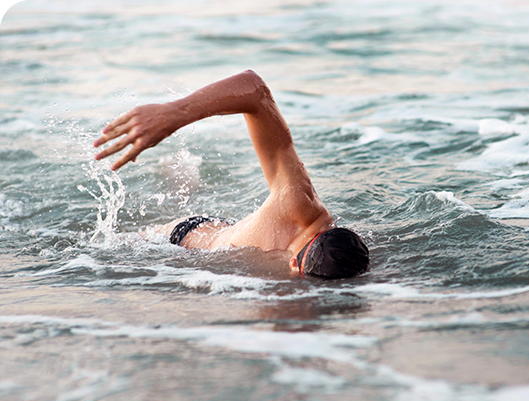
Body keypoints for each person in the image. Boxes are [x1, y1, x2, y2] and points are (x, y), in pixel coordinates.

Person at [93, 70, 369, 278]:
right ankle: (178, 174)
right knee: (105, 250)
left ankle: (184, 179)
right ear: (295, 263)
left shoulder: (347, 255)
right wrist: (175, 113)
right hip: (181, 239)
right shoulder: (299, 202)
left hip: (234, 238)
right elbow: (254, 88)